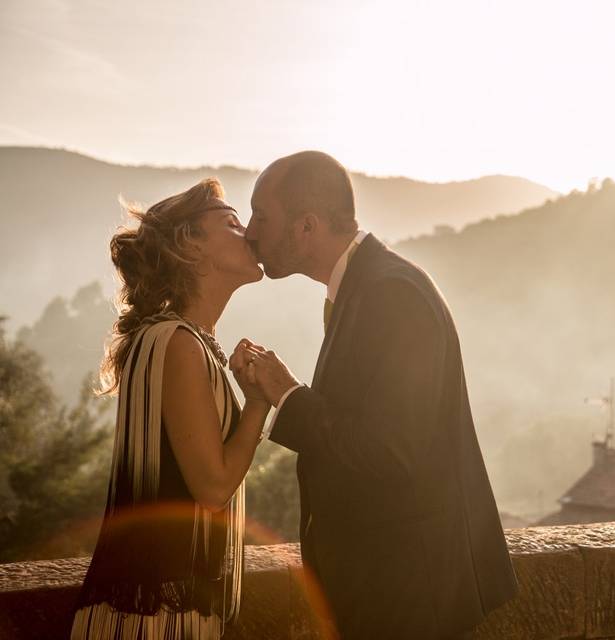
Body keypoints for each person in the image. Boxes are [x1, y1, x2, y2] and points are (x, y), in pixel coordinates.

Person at [237, 150, 519, 640]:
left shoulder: (392, 294)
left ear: (306, 227)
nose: (249, 231)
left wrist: (287, 395)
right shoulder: (368, 286)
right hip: (388, 588)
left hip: (406, 594)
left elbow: (391, 449)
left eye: (262, 216)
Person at [70, 178, 269, 639]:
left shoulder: (179, 339)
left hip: (152, 610)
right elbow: (213, 487)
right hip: (158, 617)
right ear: (191, 248)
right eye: (233, 223)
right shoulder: (178, 344)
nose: (251, 234)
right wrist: (259, 402)